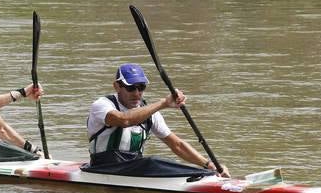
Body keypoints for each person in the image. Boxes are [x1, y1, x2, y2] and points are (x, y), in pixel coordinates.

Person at [85, 63, 230, 177]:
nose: (137, 93)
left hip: (133, 171)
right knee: (152, 162)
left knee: (152, 163)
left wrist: (208, 165)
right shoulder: (102, 105)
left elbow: (177, 145)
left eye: (141, 87)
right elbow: (125, 120)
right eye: (131, 88)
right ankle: (202, 176)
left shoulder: (149, 112)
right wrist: (163, 103)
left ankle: (207, 174)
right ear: (117, 86)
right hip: (102, 169)